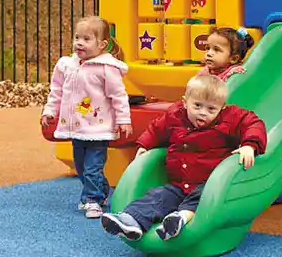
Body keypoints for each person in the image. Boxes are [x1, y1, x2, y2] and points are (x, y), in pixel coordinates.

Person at [100, 74, 267, 242]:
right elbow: (157, 129)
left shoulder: (230, 118)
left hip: (210, 185)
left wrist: (249, 145)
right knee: (159, 196)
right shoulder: (175, 115)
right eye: (197, 106)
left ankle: (180, 218)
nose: (203, 113)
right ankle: (132, 220)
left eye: (211, 109)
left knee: (201, 198)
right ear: (185, 102)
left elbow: (253, 123)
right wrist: (145, 144)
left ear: (222, 108)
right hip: (179, 184)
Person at [40, 16, 133, 219]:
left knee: (92, 167)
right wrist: (49, 111)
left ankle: (93, 200)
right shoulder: (67, 65)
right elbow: (56, 90)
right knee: (81, 167)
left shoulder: (107, 68)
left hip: (98, 129)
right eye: (77, 37)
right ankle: (101, 189)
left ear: (102, 44)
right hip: (76, 128)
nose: (79, 43)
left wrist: (124, 120)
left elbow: (118, 96)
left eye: (86, 39)